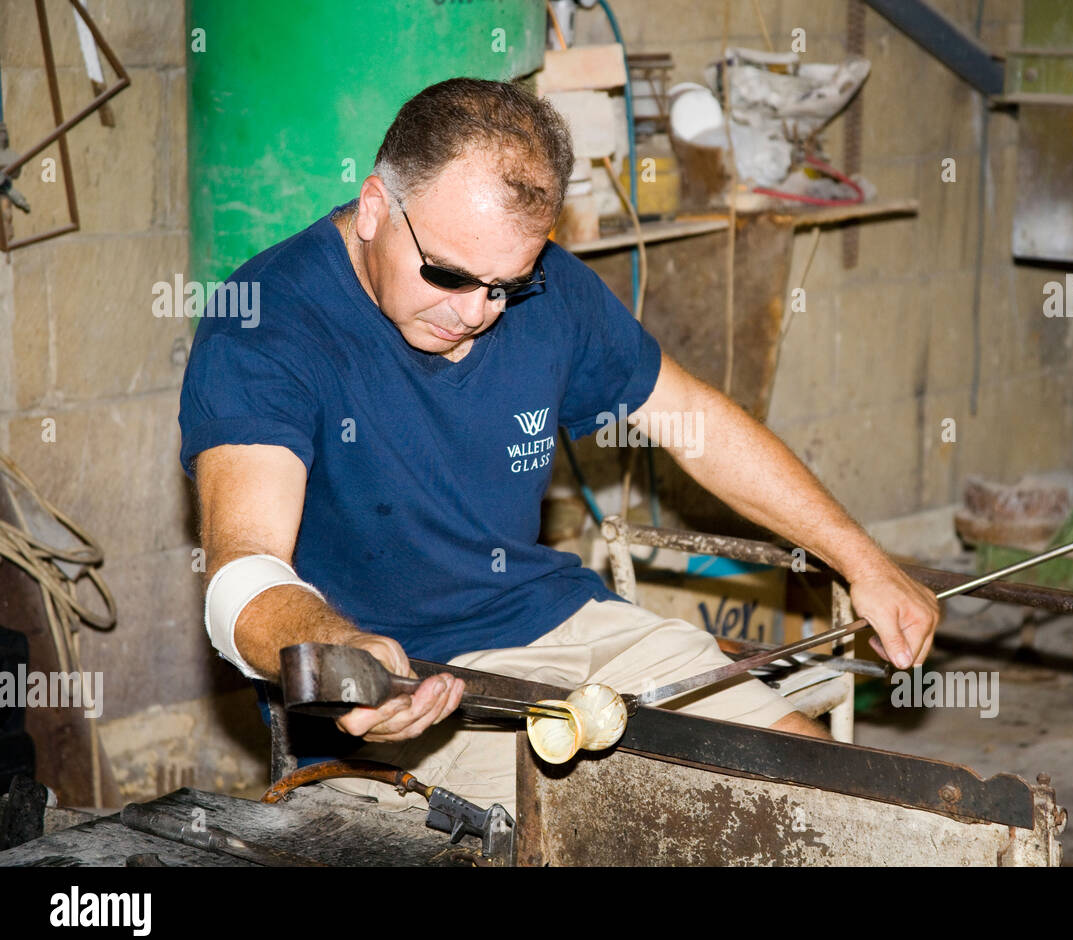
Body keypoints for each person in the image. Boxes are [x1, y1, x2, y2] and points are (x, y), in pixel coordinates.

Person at [179, 78, 939, 815]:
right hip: (410, 693)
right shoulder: (267, 325)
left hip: (569, 624)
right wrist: (338, 652)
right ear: (376, 206)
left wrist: (863, 561)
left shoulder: (550, 292)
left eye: (505, 284)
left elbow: (694, 421)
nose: (475, 313)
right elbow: (242, 570)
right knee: (664, 828)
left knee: (843, 802)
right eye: (448, 274)